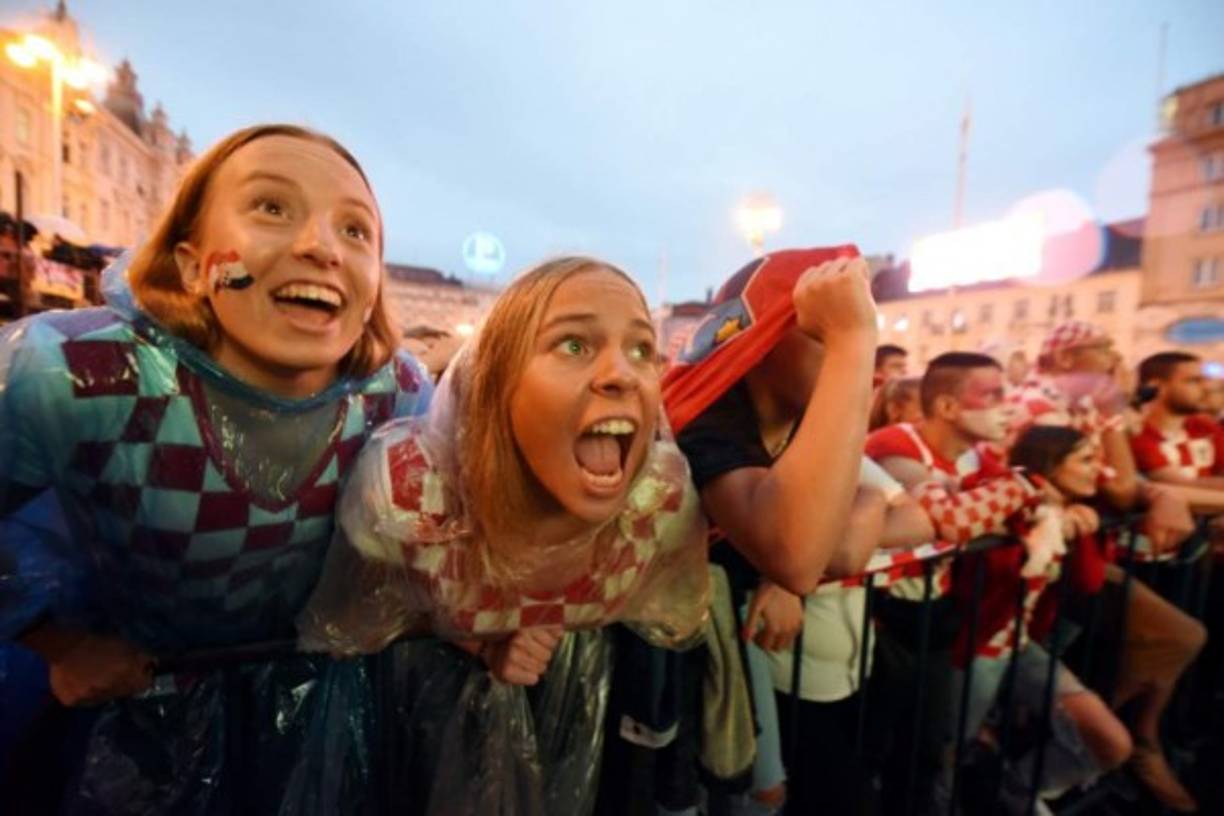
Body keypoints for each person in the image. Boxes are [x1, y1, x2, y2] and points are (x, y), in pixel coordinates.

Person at [0, 124, 432, 814]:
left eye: (356, 231)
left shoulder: (399, 394)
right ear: (192, 260)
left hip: (313, 707)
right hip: (134, 705)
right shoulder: (75, 376)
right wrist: (60, 646)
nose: (320, 246)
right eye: (271, 208)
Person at [298, 256, 709, 815]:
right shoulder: (408, 498)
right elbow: (351, 626)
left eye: (642, 349)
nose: (623, 373)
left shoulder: (656, 505)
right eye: (573, 345)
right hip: (415, 736)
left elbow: (679, 614)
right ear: (495, 379)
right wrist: (475, 639)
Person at [658, 247, 880, 813]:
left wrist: (790, 567)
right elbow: (801, 551)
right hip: (661, 669)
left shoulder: (806, 420)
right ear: (761, 341)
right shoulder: (703, 418)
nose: (847, 355)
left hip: (729, 648)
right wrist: (852, 345)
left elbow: (872, 510)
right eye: (821, 333)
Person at [1007, 322, 1205, 812]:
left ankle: (1123, 741)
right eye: (1104, 349)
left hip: (1075, 558)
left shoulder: (1081, 404)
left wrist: (1156, 492)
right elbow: (1118, 488)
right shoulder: (1038, 405)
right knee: (1175, 635)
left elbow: (1120, 482)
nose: (1117, 358)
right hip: (1046, 562)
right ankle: (1119, 744)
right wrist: (1116, 410)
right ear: (1069, 358)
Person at [865, 352, 1047, 814]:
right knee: (874, 745)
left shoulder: (976, 456)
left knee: (927, 746)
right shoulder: (895, 444)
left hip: (932, 613)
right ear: (947, 407)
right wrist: (1027, 485)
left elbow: (1021, 517)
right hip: (878, 616)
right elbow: (950, 519)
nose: (1008, 405)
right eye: (993, 395)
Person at [952, 426, 1133, 813]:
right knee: (946, 759)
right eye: (1086, 460)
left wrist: (1077, 526)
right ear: (1050, 464)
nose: (1098, 470)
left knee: (1110, 740)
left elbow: (1088, 582)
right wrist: (1032, 528)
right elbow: (981, 590)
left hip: (1020, 647)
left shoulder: (1062, 511)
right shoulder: (1008, 502)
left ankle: (1015, 790)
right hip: (971, 649)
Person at [1132, 351, 1224, 503]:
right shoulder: (1139, 432)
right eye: (1194, 381)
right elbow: (1179, 485)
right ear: (1156, 387)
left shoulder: (1203, 426)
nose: (1206, 388)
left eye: (1204, 380)